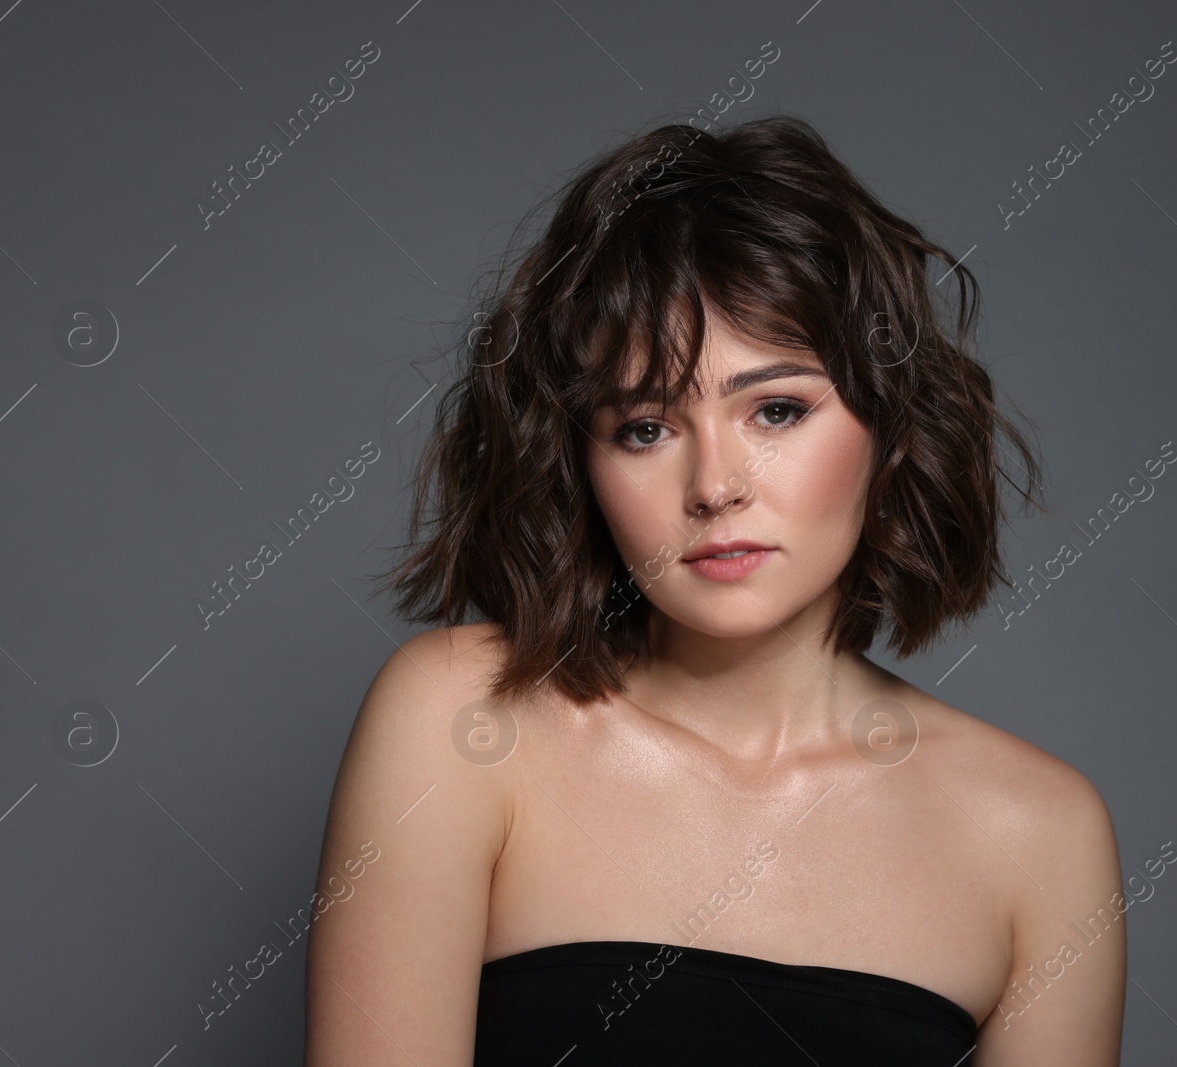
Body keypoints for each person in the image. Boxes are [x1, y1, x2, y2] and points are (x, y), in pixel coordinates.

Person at [304, 114, 1126, 1065]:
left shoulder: (1039, 837)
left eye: (776, 410)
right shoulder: (461, 722)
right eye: (646, 427)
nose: (714, 485)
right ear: (581, 460)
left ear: (891, 426)